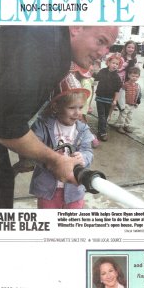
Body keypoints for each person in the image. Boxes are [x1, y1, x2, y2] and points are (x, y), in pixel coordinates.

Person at [0, 25, 119, 208]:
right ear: (76, 27)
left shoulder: (51, 42)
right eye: (101, 41)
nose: (103, 53)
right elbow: (7, 127)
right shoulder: (47, 51)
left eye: (108, 47)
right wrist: (55, 160)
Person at [29, 74, 93, 209]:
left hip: (74, 191)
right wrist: (51, 160)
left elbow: (88, 151)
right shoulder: (43, 126)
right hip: (48, 191)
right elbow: (33, 149)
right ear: (56, 107)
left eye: (80, 108)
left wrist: (83, 157)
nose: (77, 113)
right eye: (71, 108)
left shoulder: (83, 129)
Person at [94, 53, 122, 141]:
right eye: (113, 63)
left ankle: (100, 130)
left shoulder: (117, 77)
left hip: (109, 100)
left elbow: (117, 91)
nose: (115, 65)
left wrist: (115, 100)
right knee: (102, 115)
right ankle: (103, 132)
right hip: (100, 98)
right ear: (108, 63)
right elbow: (95, 79)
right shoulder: (102, 71)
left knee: (105, 116)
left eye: (117, 64)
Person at [116, 66, 141, 134]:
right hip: (126, 103)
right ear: (129, 75)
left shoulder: (137, 86)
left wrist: (137, 102)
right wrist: (122, 105)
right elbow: (121, 95)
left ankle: (126, 126)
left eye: (136, 76)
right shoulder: (125, 85)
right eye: (133, 76)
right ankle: (120, 126)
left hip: (132, 104)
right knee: (123, 115)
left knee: (129, 116)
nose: (134, 78)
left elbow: (138, 94)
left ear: (138, 77)